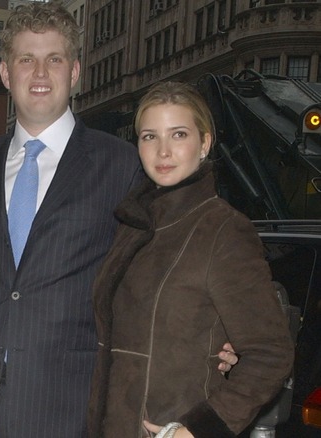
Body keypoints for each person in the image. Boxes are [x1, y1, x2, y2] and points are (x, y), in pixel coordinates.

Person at [0, 3, 239, 437]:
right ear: (6, 74)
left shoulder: (123, 164)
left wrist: (221, 329)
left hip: (75, 409)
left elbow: (168, 261)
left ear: (75, 73)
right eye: (26, 60)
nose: (40, 73)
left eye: (55, 59)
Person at [87, 81, 294, 438]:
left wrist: (197, 430)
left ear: (205, 143)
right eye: (150, 137)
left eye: (178, 134)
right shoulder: (133, 225)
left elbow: (270, 354)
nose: (163, 151)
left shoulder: (223, 229)